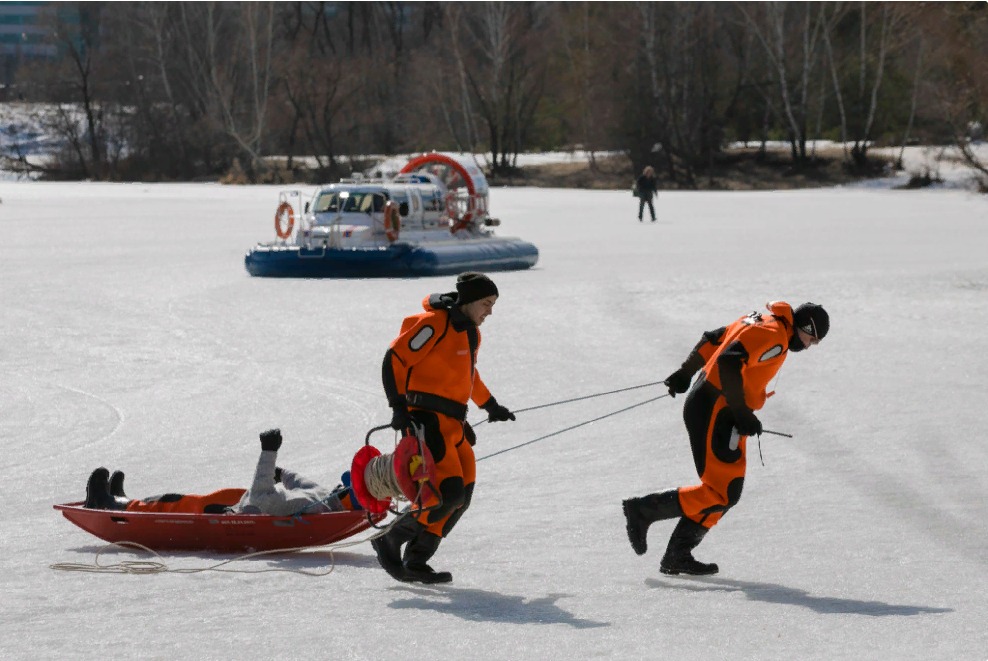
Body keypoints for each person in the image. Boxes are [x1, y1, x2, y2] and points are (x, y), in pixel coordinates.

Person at [622, 301, 829, 575]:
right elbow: (730, 361)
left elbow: (713, 339)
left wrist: (686, 372)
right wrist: (742, 412)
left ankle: (678, 555)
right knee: (721, 491)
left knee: (727, 491)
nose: (809, 346)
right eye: (811, 339)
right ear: (804, 327)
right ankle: (644, 511)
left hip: (718, 409)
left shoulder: (758, 320)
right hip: (716, 410)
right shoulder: (775, 336)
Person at [372, 272, 516, 584]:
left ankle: (417, 559)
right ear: (469, 301)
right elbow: (394, 359)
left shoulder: (472, 333)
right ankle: (391, 538)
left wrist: (490, 406)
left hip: (455, 423)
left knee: (463, 494)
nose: (490, 311)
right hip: (426, 420)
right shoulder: (433, 325)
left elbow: (468, 374)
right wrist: (398, 407)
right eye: (486, 303)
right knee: (445, 494)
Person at [82, 428, 360, 515]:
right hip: (245, 500)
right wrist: (281, 472)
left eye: (348, 487)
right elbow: (299, 481)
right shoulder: (325, 495)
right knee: (201, 496)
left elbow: (265, 498)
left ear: (348, 498)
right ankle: (126, 501)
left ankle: (113, 505)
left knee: (186, 503)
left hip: (241, 514)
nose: (341, 484)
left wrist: (268, 453)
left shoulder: (313, 506)